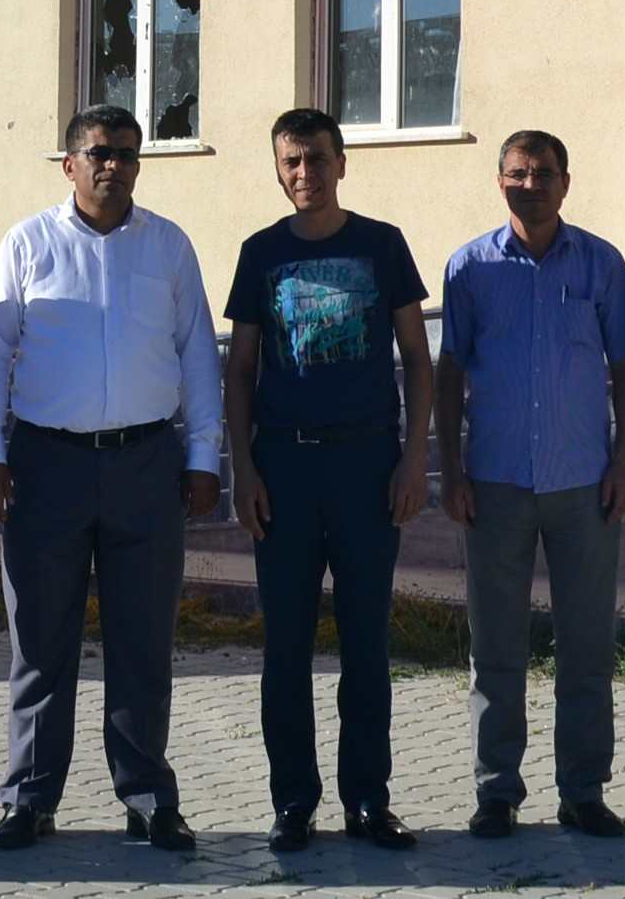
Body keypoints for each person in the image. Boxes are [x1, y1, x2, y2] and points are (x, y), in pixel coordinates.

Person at [0, 103, 226, 854]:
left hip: (147, 464)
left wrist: (203, 457)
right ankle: (30, 798)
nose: (112, 164)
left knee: (144, 641)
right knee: (41, 643)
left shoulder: (169, 247)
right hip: (46, 466)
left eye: (125, 153)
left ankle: (147, 796)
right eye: (98, 152)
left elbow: (197, 357)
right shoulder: (28, 243)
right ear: (69, 165)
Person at [223, 110, 428, 853]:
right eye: (290, 162)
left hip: (367, 464)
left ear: (342, 163)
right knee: (286, 646)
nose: (303, 173)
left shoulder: (381, 245)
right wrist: (241, 468)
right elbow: (240, 370)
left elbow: (417, 358)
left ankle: (368, 800)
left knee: (367, 642)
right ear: (278, 170)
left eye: (315, 159)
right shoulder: (261, 253)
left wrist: (413, 459)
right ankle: (294, 803)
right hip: (284, 466)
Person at [436, 129, 625, 840]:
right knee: (495, 646)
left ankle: (583, 791)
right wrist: (450, 469)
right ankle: (496, 790)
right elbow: (449, 373)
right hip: (494, 483)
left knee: (587, 645)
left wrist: (624, 463)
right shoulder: (469, 269)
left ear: (567, 181)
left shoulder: (600, 264)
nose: (533, 185)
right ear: (501, 183)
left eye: (545, 173)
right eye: (519, 174)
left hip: (584, 485)